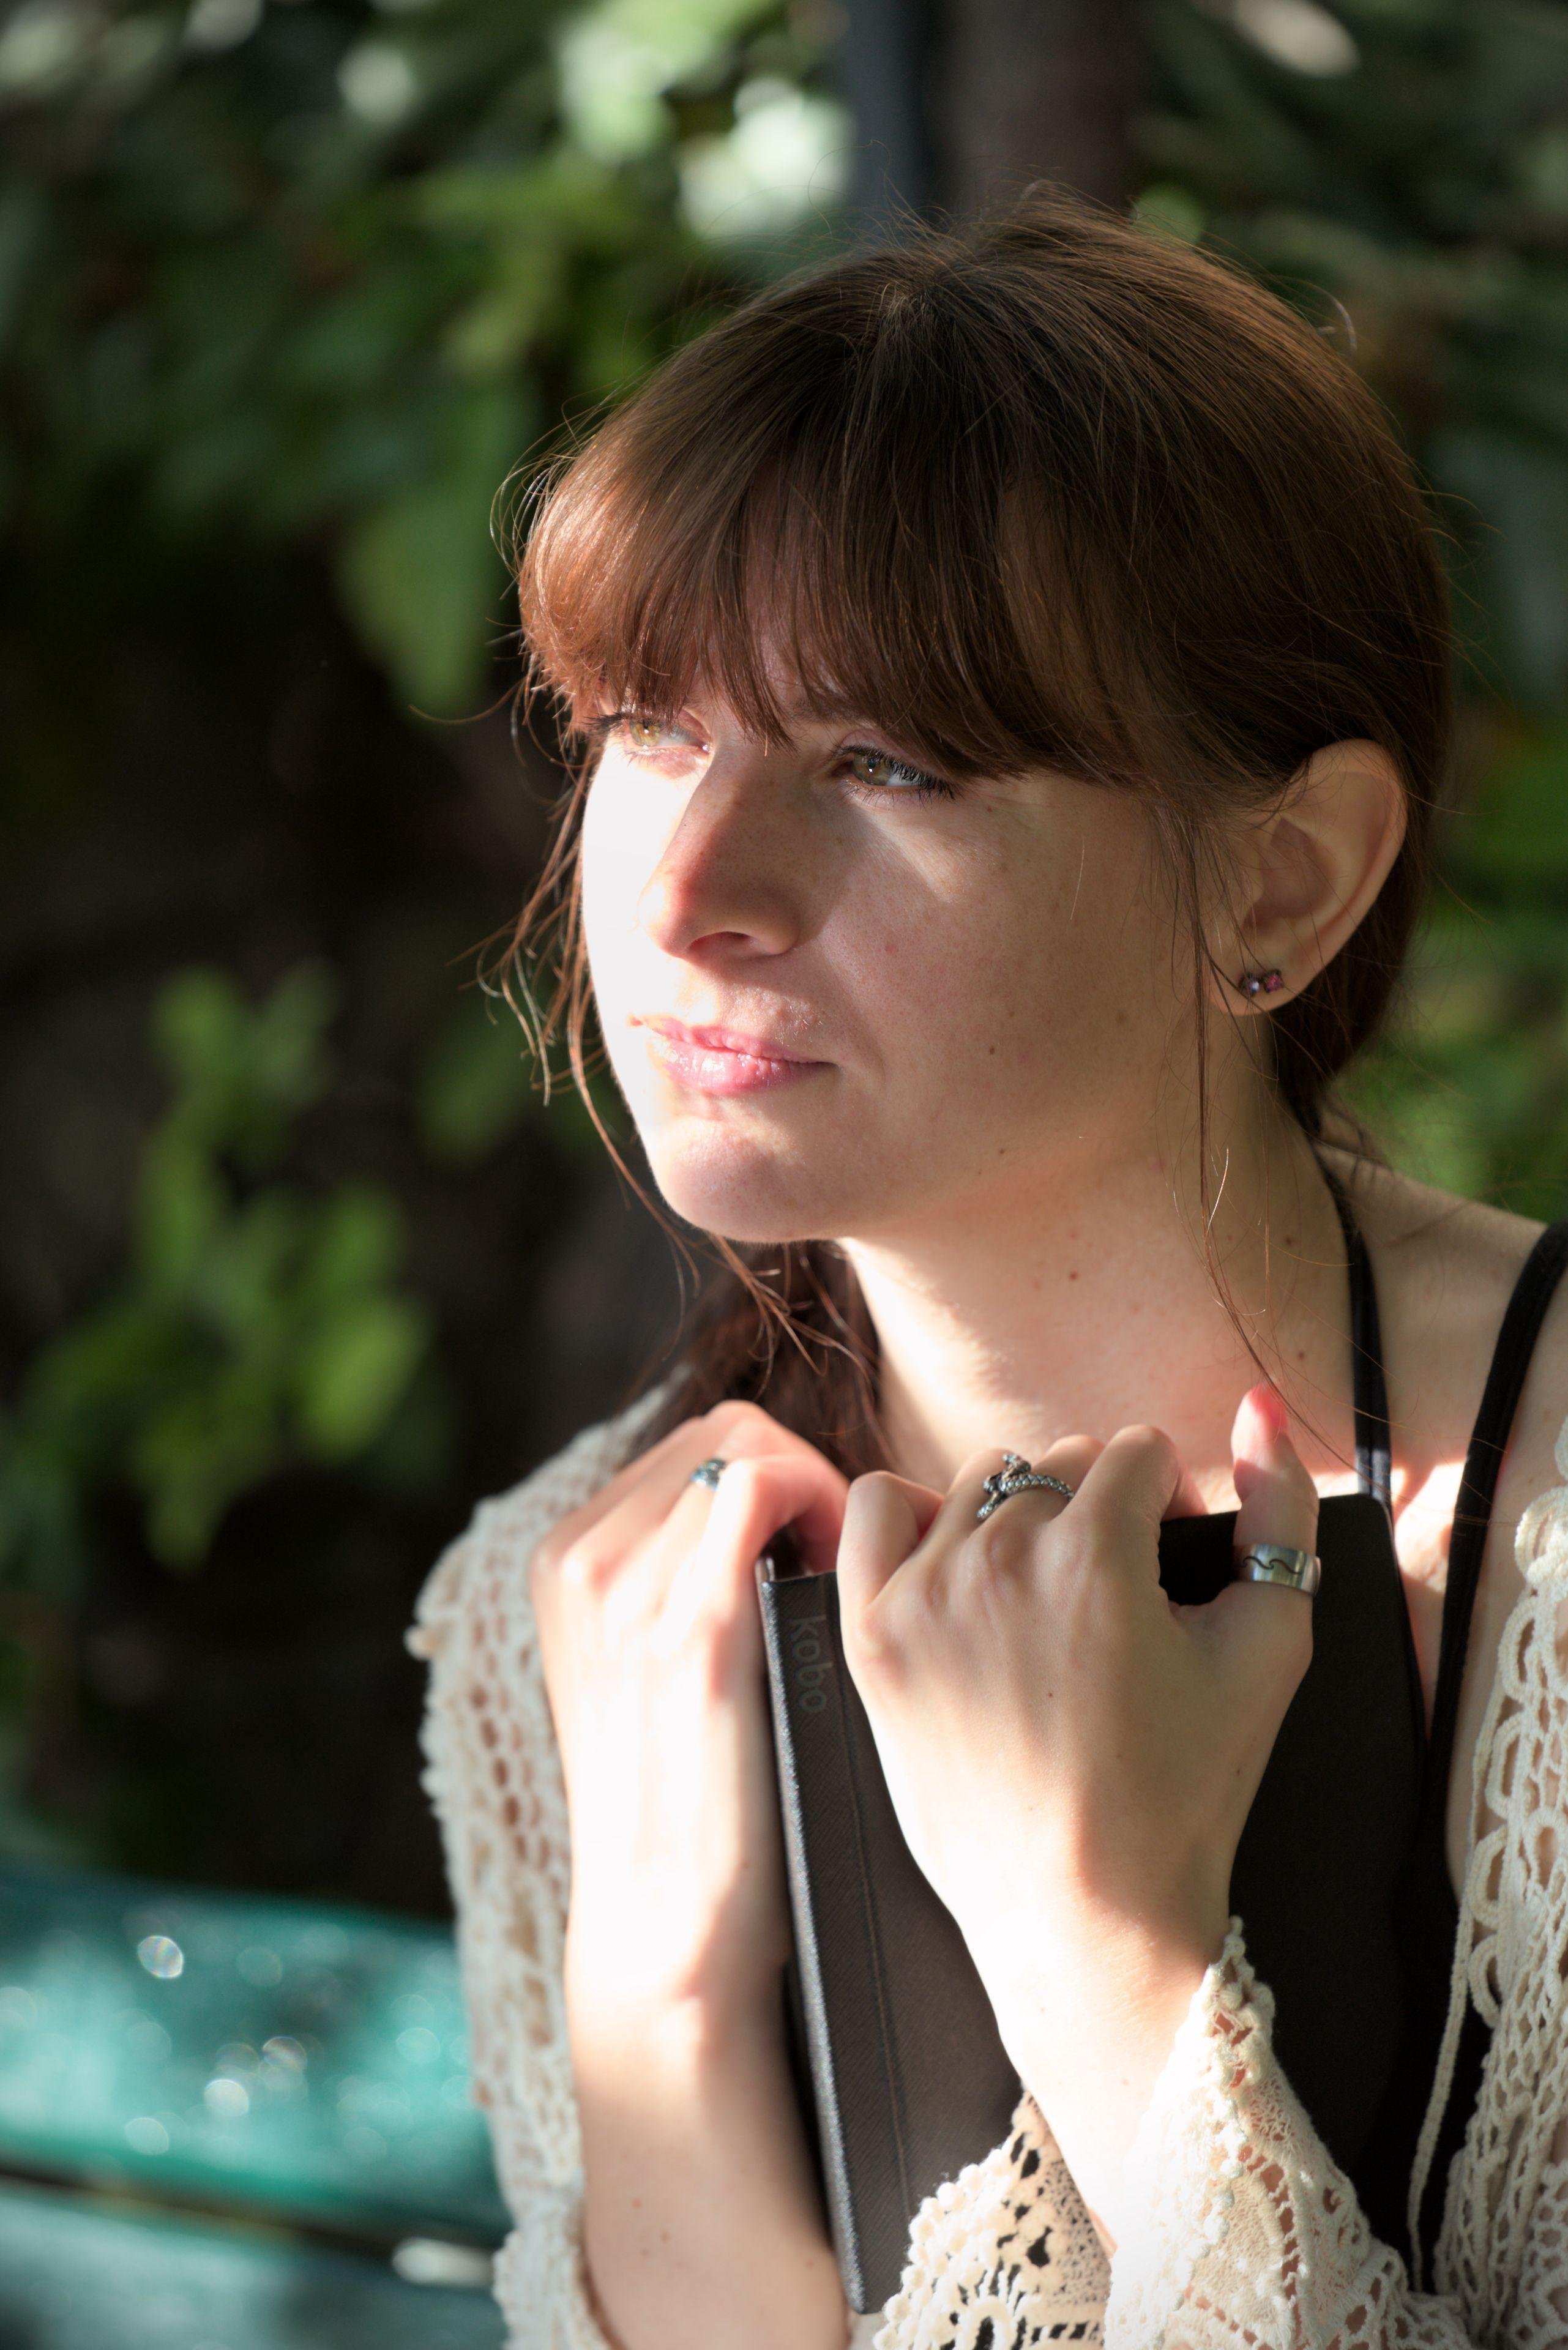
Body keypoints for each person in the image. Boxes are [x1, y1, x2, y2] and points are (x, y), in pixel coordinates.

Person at [407, 194, 1568, 2349]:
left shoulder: (1552, 1579)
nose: (691, 892)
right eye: (647, 728)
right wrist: (660, 1979)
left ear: (1284, 875)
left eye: (885, 760)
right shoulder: (562, 1616)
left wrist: (1098, 1953)